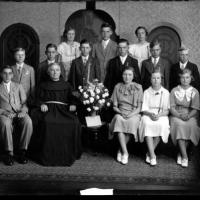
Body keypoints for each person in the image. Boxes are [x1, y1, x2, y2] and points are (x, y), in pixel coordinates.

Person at [31, 63, 82, 166]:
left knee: (74, 121)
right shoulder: (42, 85)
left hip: (63, 110)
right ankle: (46, 155)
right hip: (48, 110)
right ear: (48, 72)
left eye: (57, 70)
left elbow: (72, 98)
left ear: (60, 72)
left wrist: (73, 104)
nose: (55, 72)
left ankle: (70, 152)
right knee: (47, 122)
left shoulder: (67, 85)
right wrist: (41, 104)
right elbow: (36, 98)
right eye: (53, 70)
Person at [109, 66, 143, 165]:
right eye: (125, 74)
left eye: (129, 75)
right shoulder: (117, 86)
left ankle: (120, 150)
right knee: (119, 121)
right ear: (122, 75)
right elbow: (114, 106)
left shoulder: (138, 87)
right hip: (120, 112)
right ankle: (126, 153)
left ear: (133, 76)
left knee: (131, 122)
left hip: (134, 113)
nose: (127, 77)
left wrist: (131, 114)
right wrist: (120, 112)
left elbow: (139, 108)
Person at [0, 65, 33, 166]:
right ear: (1, 74)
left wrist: (23, 111)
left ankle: (22, 151)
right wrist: (4, 112)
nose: (7, 75)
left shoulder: (18, 86)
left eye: (10, 73)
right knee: (5, 124)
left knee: (28, 121)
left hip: (19, 111)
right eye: (5, 73)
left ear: (12, 75)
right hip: (5, 113)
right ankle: (9, 153)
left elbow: (24, 103)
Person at [139, 70, 170, 166]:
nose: (156, 80)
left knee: (162, 125)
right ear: (150, 80)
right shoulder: (146, 92)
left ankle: (149, 152)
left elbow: (167, 110)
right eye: (153, 78)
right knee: (147, 124)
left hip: (161, 114)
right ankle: (152, 155)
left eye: (158, 78)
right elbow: (143, 109)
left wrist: (159, 115)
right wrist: (150, 114)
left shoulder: (165, 92)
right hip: (148, 114)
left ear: (161, 80)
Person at [170, 69, 200, 168]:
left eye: (187, 77)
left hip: (189, 115)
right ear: (180, 78)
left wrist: (188, 116)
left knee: (191, 126)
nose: (185, 80)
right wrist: (179, 116)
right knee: (179, 125)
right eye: (182, 77)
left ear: (191, 78)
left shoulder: (195, 91)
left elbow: (195, 109)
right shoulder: (174, 90)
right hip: (176, 115)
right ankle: (185, 156)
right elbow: (171, 108)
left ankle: (180, 153)